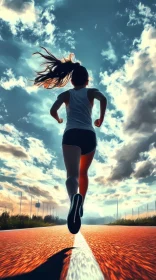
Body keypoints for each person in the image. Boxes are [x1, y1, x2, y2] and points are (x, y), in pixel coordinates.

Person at [32, 47, 107, 234]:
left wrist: (58, 119)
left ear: (71, 80)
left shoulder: (66, 95)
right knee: (84, 173)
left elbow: (52, 110)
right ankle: (80, 203)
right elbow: (103, 98)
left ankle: (74, 198)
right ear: (87, 80)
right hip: (89, 136)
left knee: (71, 175)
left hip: (71, 134)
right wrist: (100, 119)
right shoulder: (91, 92)